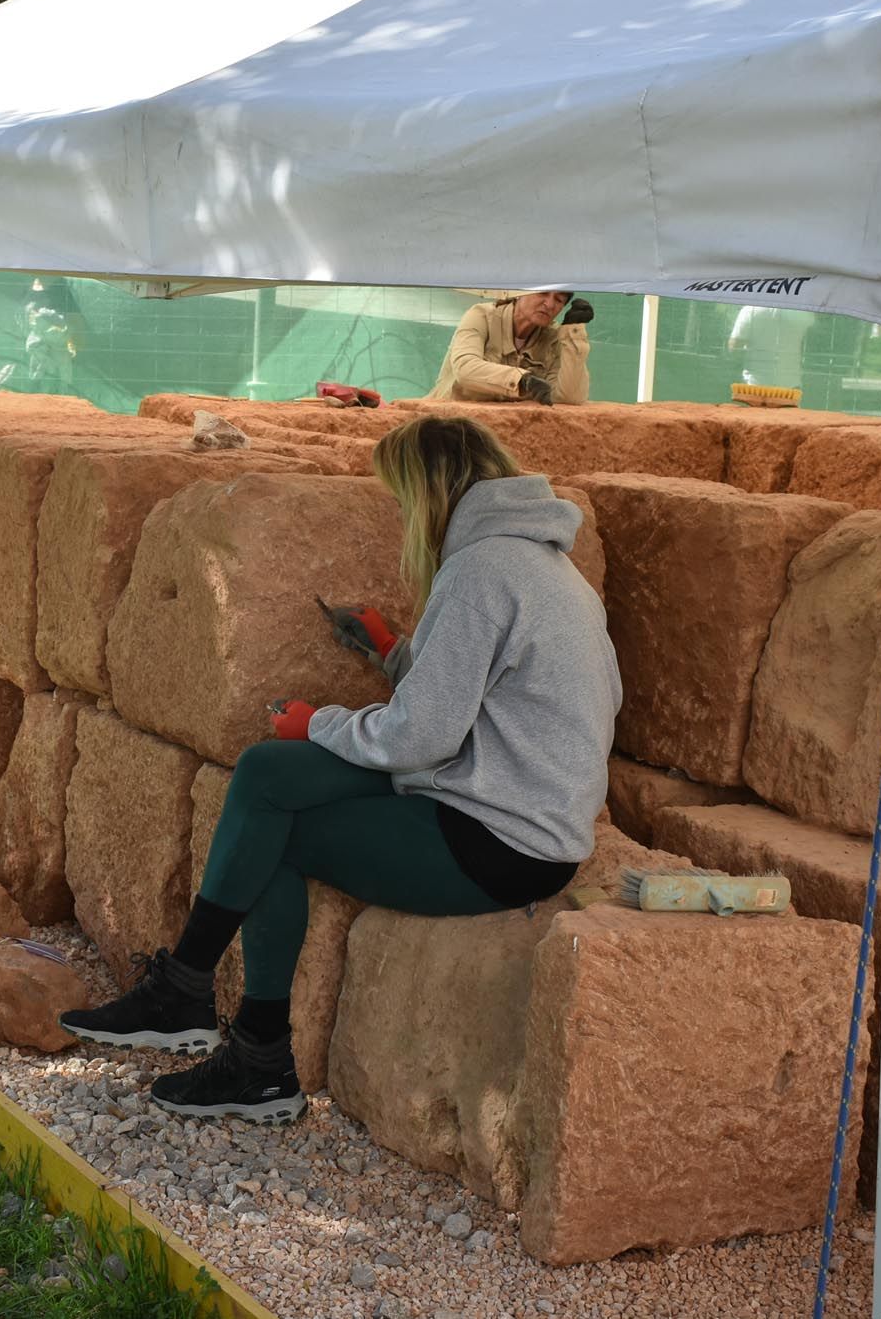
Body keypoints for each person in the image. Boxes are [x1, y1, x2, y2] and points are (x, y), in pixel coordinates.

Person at [60, 415, 622, 1123]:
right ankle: (186, 989)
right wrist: (392, 652)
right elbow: (486, 697)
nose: (398, 515)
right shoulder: (540, 563)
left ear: (428, 493)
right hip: (499, 799)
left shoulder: (481, 570)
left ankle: (256, 1057)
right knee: (267, 773)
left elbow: (420, 737)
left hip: (501, 839)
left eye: (398, 498)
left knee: (277, 836)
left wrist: (316, 722)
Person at [428, 291, 593, 405]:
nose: (550, 304)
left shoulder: (554, 337)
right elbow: (465, 369)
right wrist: (522, 380)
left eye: (559, 300)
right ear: (518, 293)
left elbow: (569, 397)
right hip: (448, 424)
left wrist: (573, 335)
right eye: (542, 293)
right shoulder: (481, 316)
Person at [727, 304, 815, 390]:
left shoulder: (750, 310)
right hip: (791, 387)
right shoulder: (803, 312)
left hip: (754, 386)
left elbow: (735, 348)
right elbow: (812, 345)